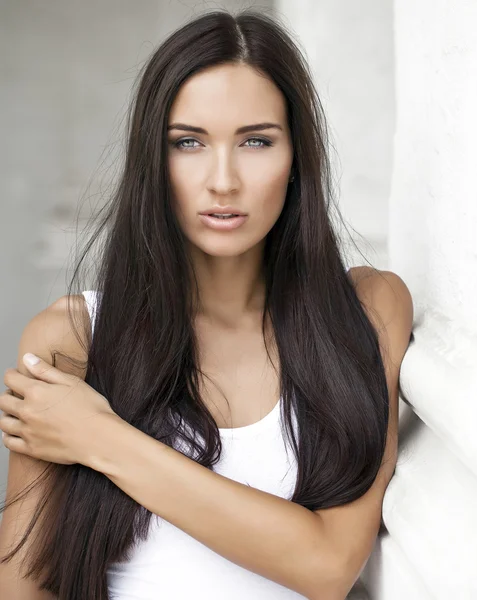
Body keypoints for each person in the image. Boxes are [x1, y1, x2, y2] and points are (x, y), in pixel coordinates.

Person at [0, 8, 413, 600]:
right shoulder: (73, 338)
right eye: (189, 143)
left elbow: (327, 567)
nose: (223, 180)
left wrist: (101, 438)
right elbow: (24, 588)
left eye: (256, 141)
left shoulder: (368, 309)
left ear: (297, 159)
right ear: (152, 161)